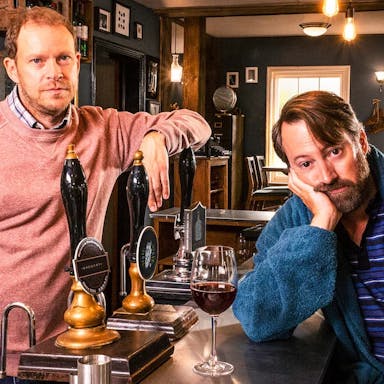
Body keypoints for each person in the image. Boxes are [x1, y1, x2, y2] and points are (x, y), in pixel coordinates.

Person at [0, 6, 211, 384]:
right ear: (12, 69)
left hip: (82, 350)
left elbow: (197, 123)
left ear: (78, 62)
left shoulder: (103, 129)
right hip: (7, 358)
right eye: (37, 60)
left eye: (64, 57)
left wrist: (158, 135)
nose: (54, 72)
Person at [233, 90, 384, 383]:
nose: (326, 176)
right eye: (306, 164)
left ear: (361, 142)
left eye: (334, 151)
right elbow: (257, 319)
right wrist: (321, 226)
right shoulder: (297, 218)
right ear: (293, 174)